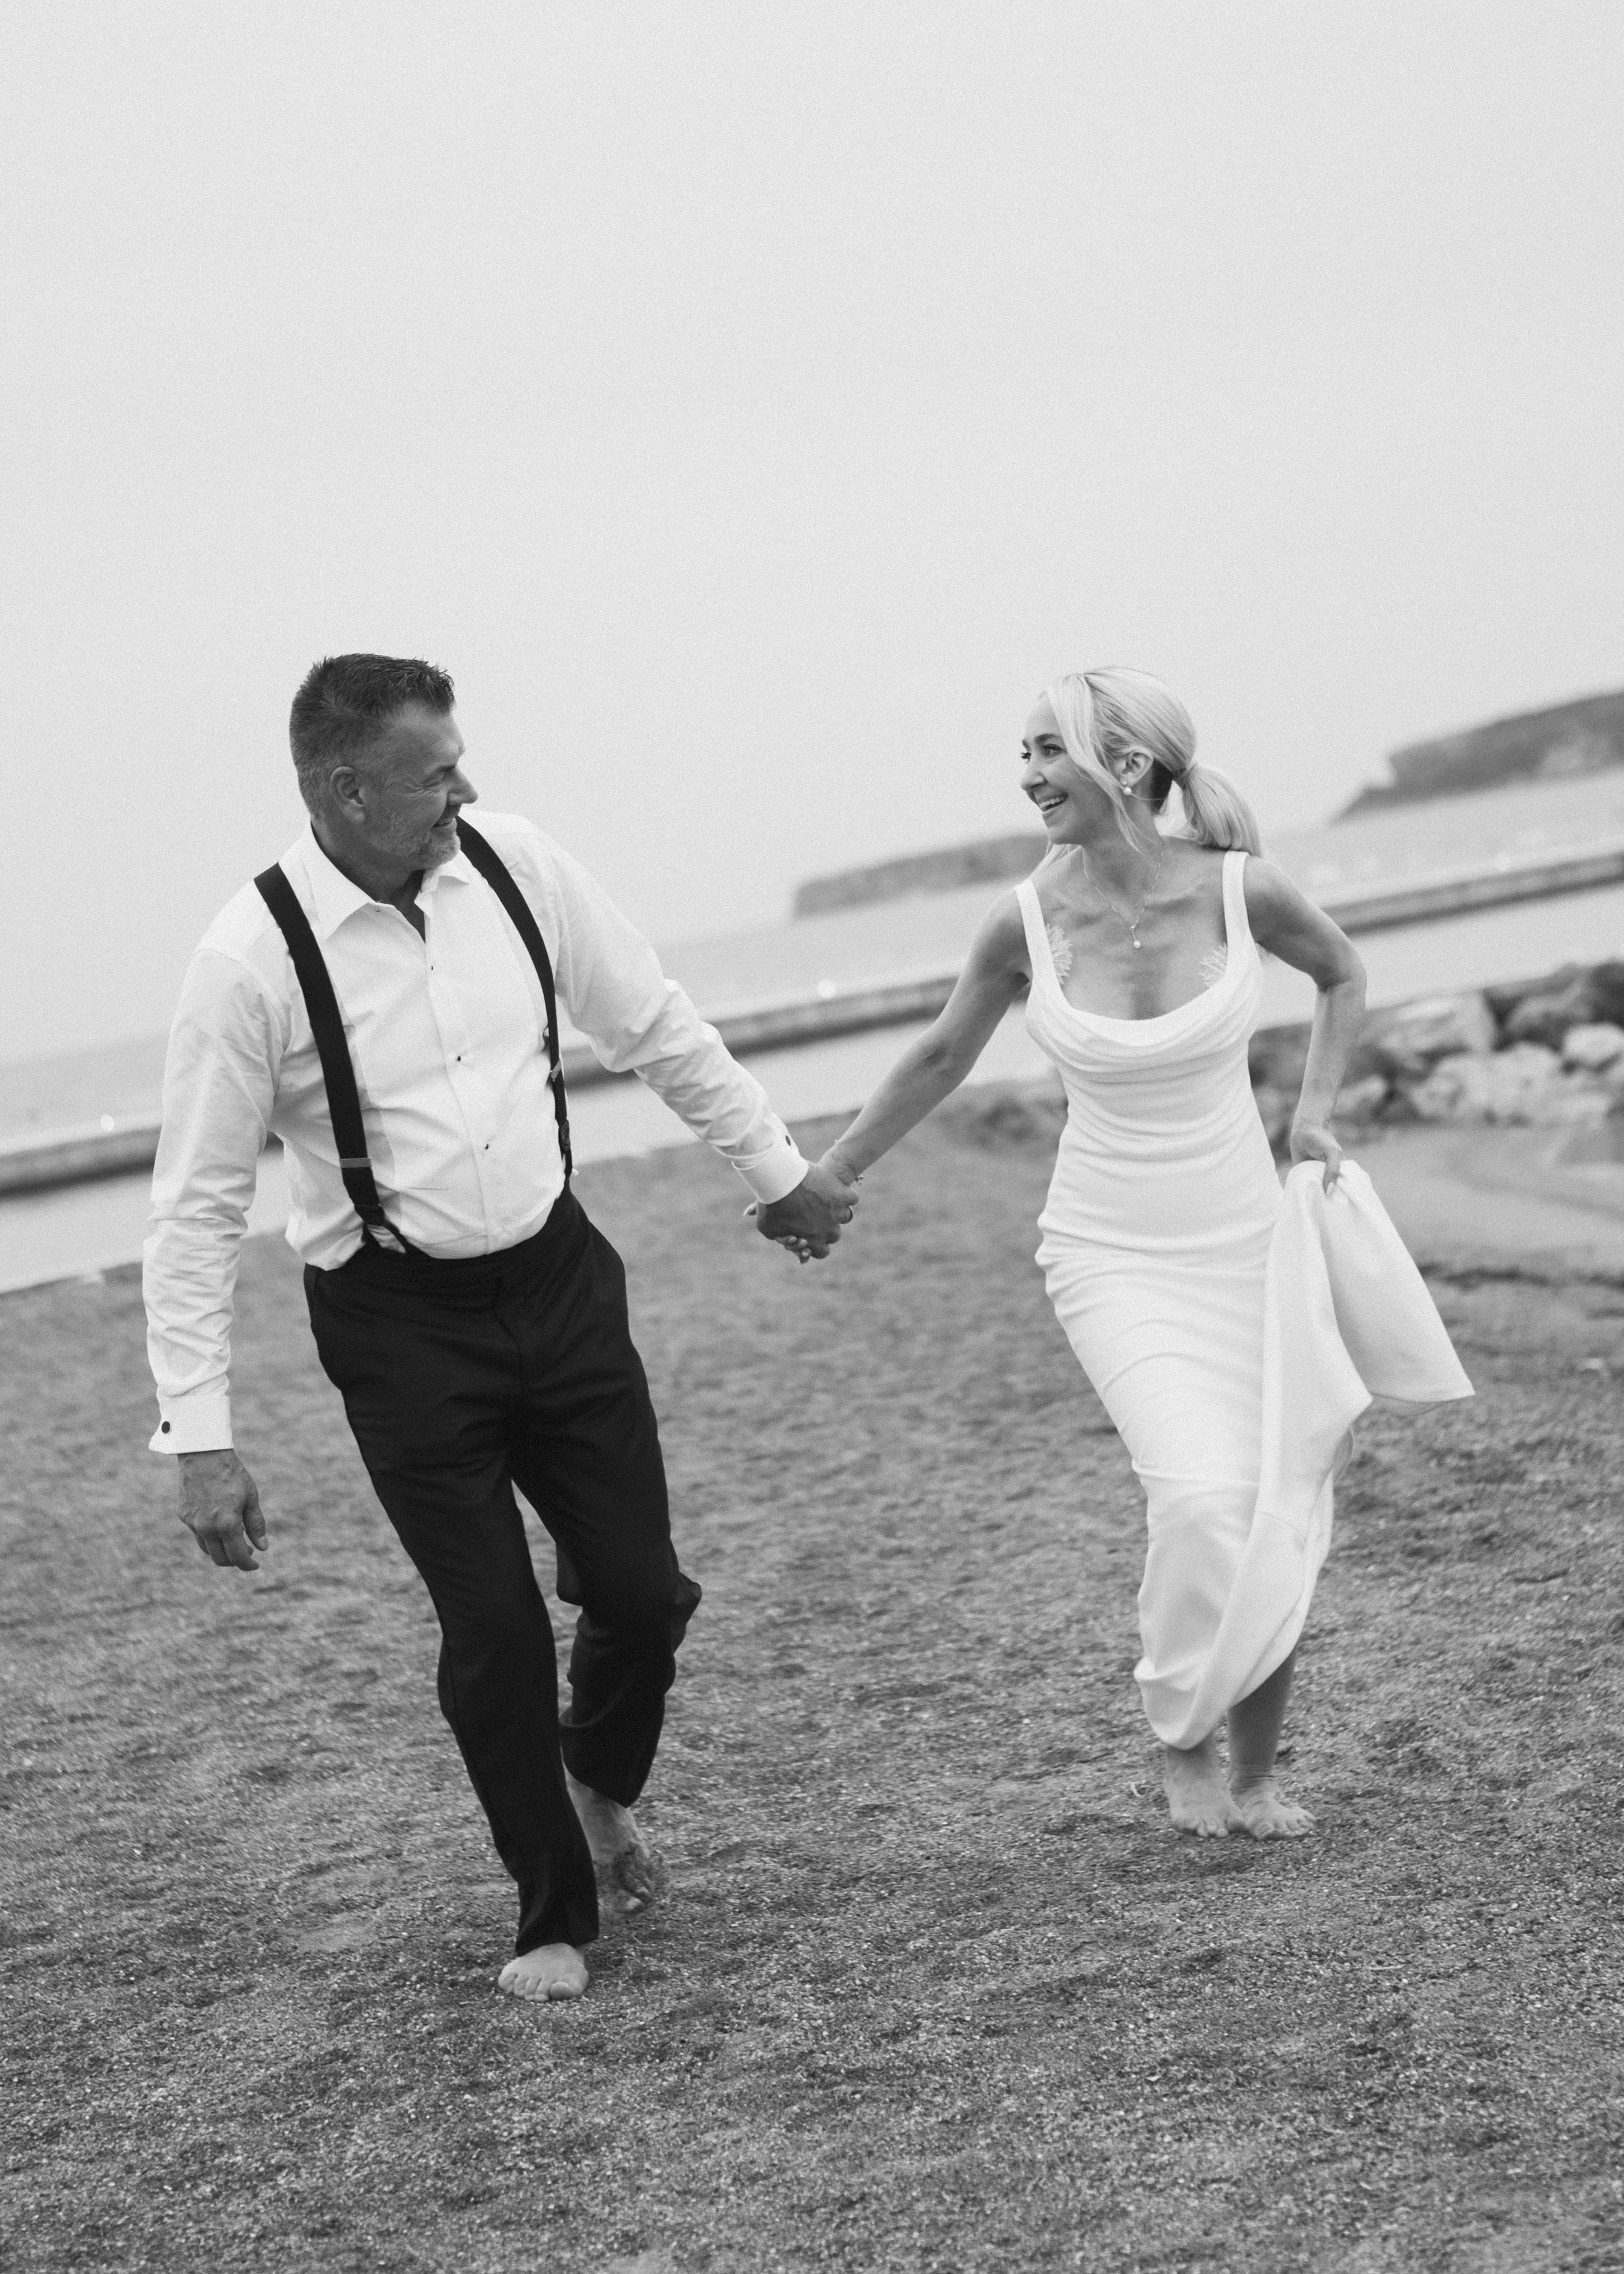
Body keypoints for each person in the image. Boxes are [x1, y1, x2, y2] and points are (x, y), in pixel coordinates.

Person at [144, 652, 854, 2002]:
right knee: (495, 1632)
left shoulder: (516, 865)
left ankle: (595, 1779)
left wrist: (778, 1175)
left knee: (641, 1591)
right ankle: (552, 1916)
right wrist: (200, 1435)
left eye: (460, 763)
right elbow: (193, 1210)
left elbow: (651, 1023)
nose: (462, 790)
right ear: (347, 791)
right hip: (396, 1327)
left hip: (560, 1282)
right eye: (432, 775)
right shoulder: (250, 963)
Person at [811, 666, 1380, 1839]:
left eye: (1046, 751)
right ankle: (1182, 1734)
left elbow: (1342, 972)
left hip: (1245, 1243)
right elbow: (939, 1055)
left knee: (1269, 1499)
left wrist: (1314, 1111)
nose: (1027, 777)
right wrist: (834, 1171)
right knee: (1198, 1495)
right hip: (1108, 1250)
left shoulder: (1240, 890)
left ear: (1126, 766)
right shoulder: (1024, 917)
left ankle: (1260, 1774)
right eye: (1021, 754)